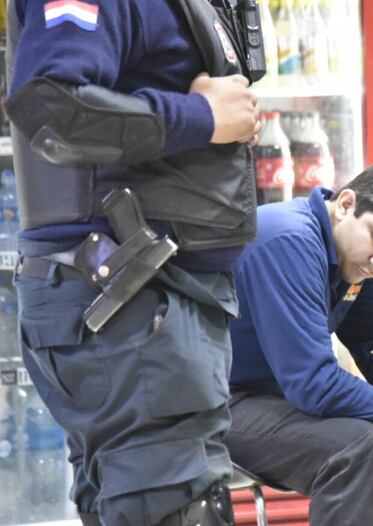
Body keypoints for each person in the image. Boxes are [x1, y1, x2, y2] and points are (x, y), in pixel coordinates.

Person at [6, 1, 262, 524]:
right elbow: (52, 105)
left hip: (150, 304)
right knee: (174, 504)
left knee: (149, 500)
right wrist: (201, 116)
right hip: (129, 300)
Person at [224, 161, 373, 526]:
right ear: (345, 204)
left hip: (274, 400)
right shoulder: (289, 240)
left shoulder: (355, 264)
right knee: (357, 445)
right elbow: (314, 385)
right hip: (217, 407)